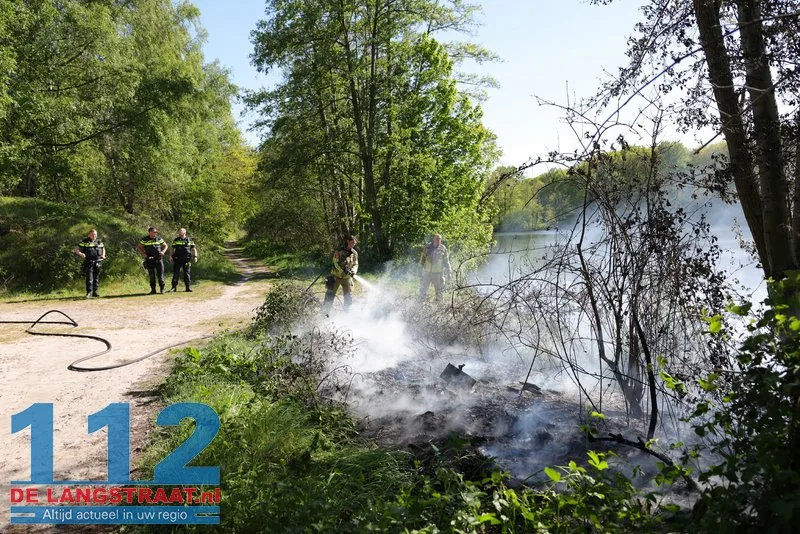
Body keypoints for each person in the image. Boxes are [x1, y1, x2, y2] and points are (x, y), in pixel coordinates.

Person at [322, 235, 359, 312]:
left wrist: (353, 271)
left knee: (348, 298)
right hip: (335, 277)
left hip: (347, 278)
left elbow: (356, 264)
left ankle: (346, 315)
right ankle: (325, 315)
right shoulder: (338, 252)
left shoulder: (354, 253)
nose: (353, 245)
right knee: (329, 297)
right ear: (347, 241)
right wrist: (343, 271)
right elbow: (335, 263)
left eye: (354, 243)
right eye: (352, 243)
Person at [73, 229, 106, 298]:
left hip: (98, 262)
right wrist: (80, 254)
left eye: (95, 234)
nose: (94, 236)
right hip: (89, 262)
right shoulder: (85, 241)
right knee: (89, 278)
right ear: (89, 235)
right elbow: (76, 248)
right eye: (92, 234)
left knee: (96, 278)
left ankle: (95, 292)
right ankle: (89, 292)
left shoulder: (99, 241)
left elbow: (103, 248)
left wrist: (103, 255)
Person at [419, 233, 451, 302]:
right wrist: (419, 271)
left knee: (439, 292)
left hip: (438, 274)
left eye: (439, 239)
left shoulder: (443, 249)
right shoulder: (427, 247)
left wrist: (449, 271)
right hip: (427, 273)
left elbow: (446, 261)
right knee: (423, 291)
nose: (437, 240)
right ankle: (421, 306)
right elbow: (422, 260)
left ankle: (438, 308)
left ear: (441, 240)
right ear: (433, 239)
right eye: (436, 238)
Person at [136, 226, 168, 294]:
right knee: (152, 276)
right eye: (154, 232)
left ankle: (162, 289)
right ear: (150, 232)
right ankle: (153, 290)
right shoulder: (144, 239)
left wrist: (163, 251)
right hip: (149, 259)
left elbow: (165, 245)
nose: (155, 233)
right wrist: (143, 254)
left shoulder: (159, 239)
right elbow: (139, 247)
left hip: (158, 258)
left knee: (160, 275)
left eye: (156, 232)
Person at [168, 228, 197, 292]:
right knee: (176, 273)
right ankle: (174, 288)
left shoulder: (189, 240)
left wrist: (195, 256)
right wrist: (170, 256)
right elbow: (172, 249)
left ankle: (188, 287)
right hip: (177, 259)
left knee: (187, 274)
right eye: (179, 231)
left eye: (180, 231)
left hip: (186, 259)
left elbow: (193, 249)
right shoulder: (176, 240)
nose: (179, 232)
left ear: (184, 232)